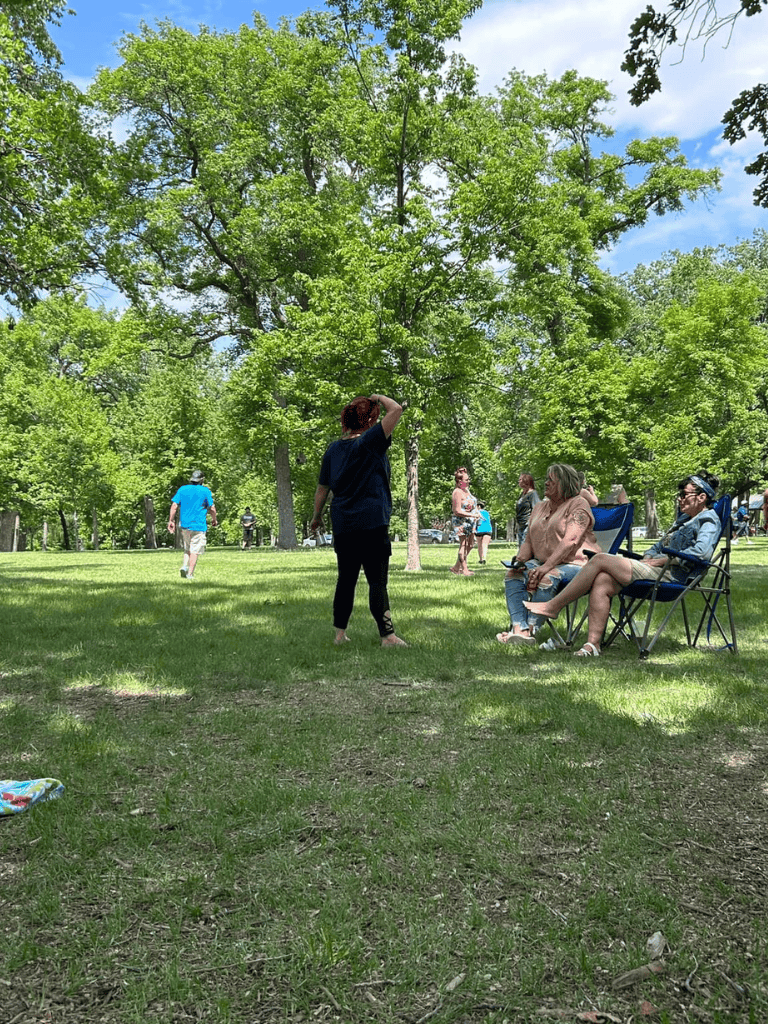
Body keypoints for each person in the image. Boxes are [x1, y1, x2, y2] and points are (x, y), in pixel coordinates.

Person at [526, 471, 721, 656]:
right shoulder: (683, 521)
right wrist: (649, 557)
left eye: (684, 494)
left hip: (673, 576)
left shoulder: (708, 520)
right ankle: (592, 645)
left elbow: (701, 553)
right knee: (603, 579)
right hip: (655, 569)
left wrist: (662, 560)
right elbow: (656, 547)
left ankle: (553, 606)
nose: (679, 498)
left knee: (600, 559)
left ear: (702, 497)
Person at [311, 393, 407, 647]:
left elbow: (322, 488)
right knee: (377, 580)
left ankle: (339, 634)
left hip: (343, 523)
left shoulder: (333, 450)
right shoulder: (371, 441)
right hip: (373, 522)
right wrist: (376, 397)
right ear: (370, 420)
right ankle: (388, 636)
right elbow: (396, 410)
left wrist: (316, 516)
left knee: (346, 579)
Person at [497, 463, 597, 644]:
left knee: (547, 577)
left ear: (565, 483)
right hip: (543, 562)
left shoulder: (578, 505)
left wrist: (544, 568)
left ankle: (532, 630)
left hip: (576, 565)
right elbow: (528, 540)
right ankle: (519, 628)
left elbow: (571, 541)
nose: (546, 483)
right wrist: (520, 561)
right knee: (513, 574)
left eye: (551, 480)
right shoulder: (540, 507)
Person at [167, 469, 218, 581]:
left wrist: (171, 521)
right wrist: (214, 519)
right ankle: (190, 574)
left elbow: (174, 506)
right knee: (195, 550)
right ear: (202, 480)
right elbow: (212, 508)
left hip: (184, 525)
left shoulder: (182, 489)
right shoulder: (205, 491)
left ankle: (184, 566)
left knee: (187, 548)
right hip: (198, 525)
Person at [450, 467, 480, 576]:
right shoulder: (457, 492)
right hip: (461, 522)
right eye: (466, 480)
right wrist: (472, 514)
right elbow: (456, 511)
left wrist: (477, 512)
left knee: (471, 544)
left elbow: (472, 503)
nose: (468, 482)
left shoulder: (466, 490)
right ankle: (464, 569)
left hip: (470, 521)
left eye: (468, 479)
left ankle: (456, 567)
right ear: (459, 481)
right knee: (463, 544)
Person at [515, 473, 540, 544]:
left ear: (526, 481)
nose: (518, 481)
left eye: (520, 480)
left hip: (528, 525)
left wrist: (532, 524)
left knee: (524, 546)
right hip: (521, 525)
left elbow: (537, 509)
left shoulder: (532, 494)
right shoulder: (522, 495)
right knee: (521, 547)